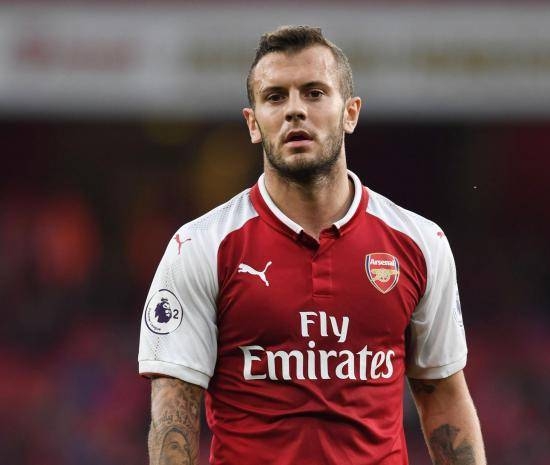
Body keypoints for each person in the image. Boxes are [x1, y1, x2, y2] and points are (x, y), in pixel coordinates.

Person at [139, 25, 486, 465]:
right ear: (253, 123)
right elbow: (174, 414)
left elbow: (444, 397)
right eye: (275, 97)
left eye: (315, 93)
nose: (295, 111)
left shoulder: (419, 243)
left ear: (350, 113)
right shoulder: (200, 247)